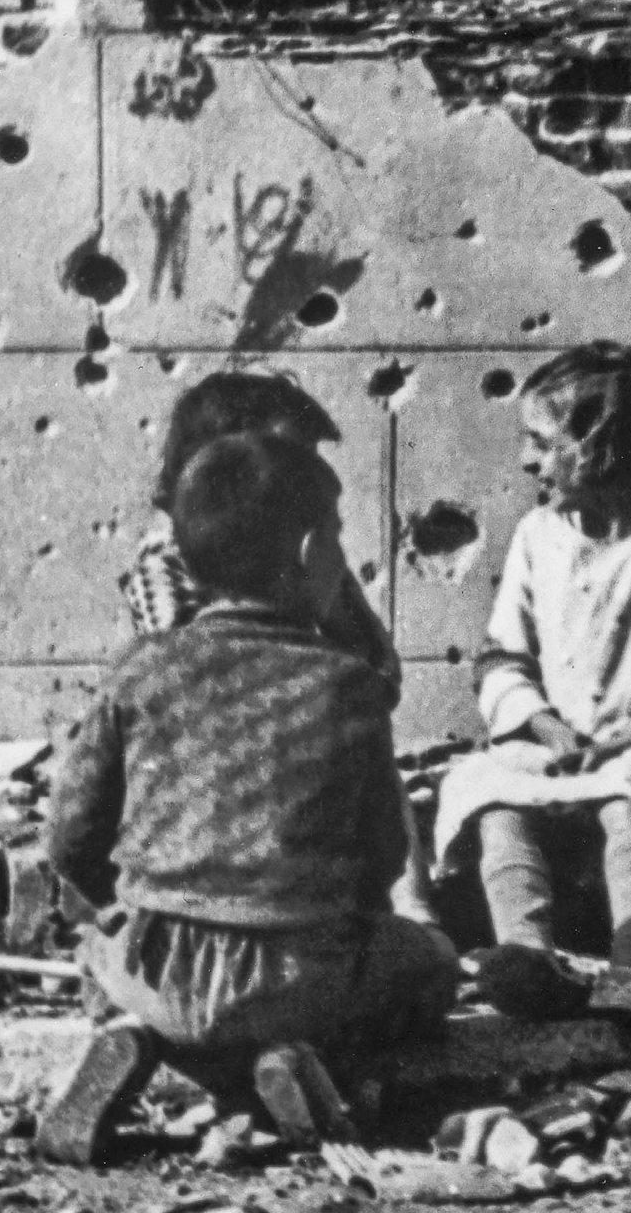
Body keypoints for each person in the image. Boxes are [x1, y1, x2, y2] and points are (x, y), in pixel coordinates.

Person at [39, 432, 457, 1165]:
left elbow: (71, 833)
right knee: (429, 962)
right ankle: (287, 1062)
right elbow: (383, 855)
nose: (339, 556)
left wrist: (112, 909)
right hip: (301, 973)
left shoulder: (141, 668)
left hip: (152, 963)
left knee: (94, 950)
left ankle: (130, 1035)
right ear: (304, 553)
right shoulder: (349, 685)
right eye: (334, 536)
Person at [429, 343, 631, 1020]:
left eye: (541, 442)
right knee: (486, 786)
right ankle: (527, 955)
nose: (525, 460)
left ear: (601, 446)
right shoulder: (538, 536)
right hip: (559, 742)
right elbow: (502, 657)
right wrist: (540, 722)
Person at [124, 371, 440, 923]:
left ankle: (411, 910)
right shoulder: (165, 560)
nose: (310, 474)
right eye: (289, 455)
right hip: (213, 766)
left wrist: (335, 611)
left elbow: (379, 675)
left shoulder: (309, 556)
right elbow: (183, 683)